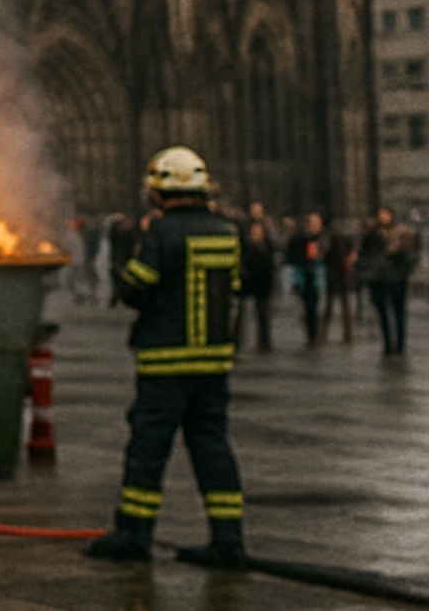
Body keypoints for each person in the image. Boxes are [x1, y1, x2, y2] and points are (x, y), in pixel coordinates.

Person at [85, 146, 246, 569]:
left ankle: (134, 533)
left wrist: (124, 268)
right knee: (212, 447)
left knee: (148, 448)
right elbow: (239, 282)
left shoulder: (162, 232)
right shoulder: (226, 231)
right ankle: (228, 538)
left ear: (159, 191)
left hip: (166, 361)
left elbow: (137, 288)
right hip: (213, 362)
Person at [359, 208, 418, 356]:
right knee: (382, 313)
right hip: (378, 278)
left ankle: (400, 344)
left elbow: (411, 256)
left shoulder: (402, 234)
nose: (383, 217)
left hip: (397, 278)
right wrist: (369, 270)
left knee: (399, 312)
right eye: (380, 215)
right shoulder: (371, 236)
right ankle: (387, 344)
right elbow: (363, 256)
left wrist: (402, 266)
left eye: (386, 215)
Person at [237, 208, 277, 352]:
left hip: (263, 283)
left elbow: (271, 261)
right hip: (249, 281)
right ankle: (238, 342)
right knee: (242, 314)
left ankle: (264, 341)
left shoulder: (267, 244)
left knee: (264, 314)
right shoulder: (247, 245)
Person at [285, 211, 326, 343]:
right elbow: (292, 256)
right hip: (305, 274)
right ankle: (311, 333)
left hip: (318, 273)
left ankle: (314, 332)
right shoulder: (301, 238)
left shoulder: (322, 237)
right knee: (310, 306)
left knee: (315, 305)